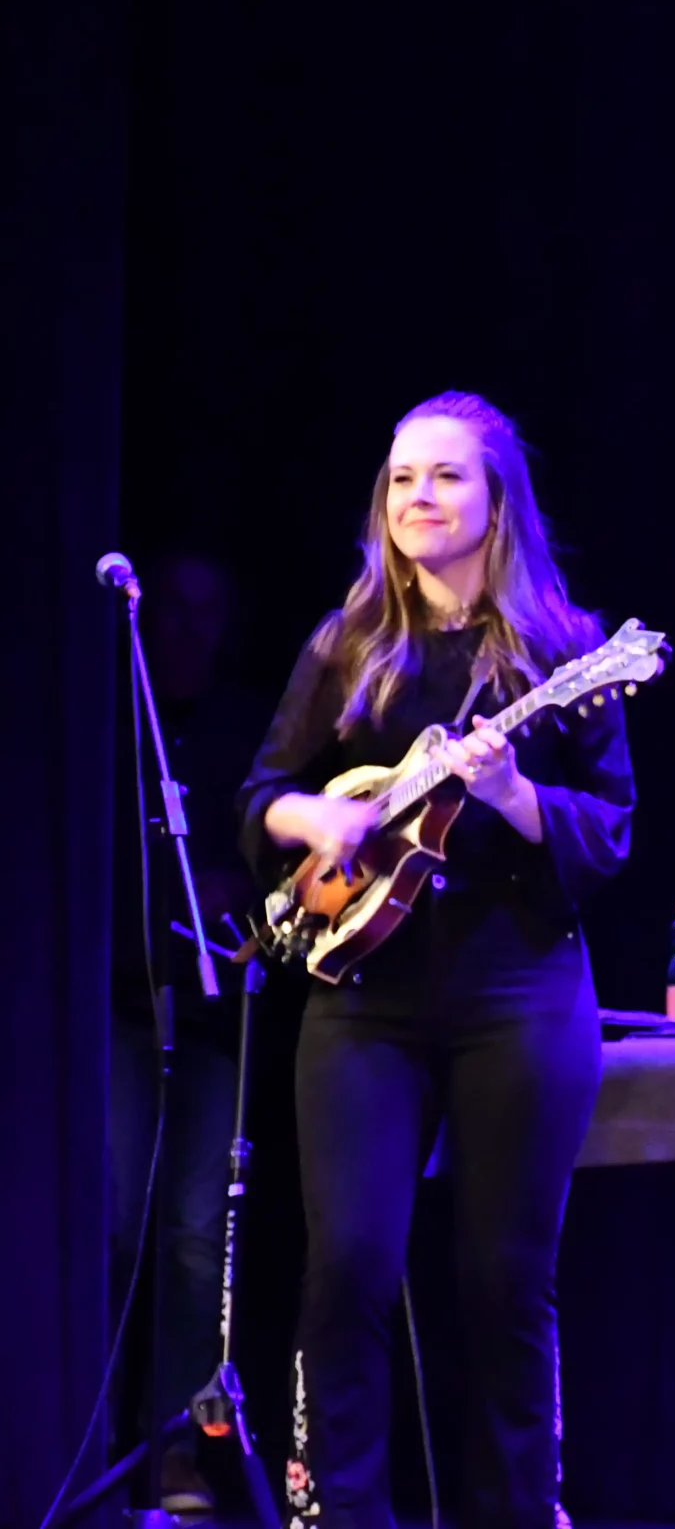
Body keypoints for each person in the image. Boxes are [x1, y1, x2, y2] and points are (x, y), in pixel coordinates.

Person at [238, 392, 633, 1529]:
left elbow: (611, 830)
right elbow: (262, 793)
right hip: (363, 994)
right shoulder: (347, 643)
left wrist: (517, 801)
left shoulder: (569, 651)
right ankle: (338, 1513)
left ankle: (515, 1511)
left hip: (519, 990)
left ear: (497, 502)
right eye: (403, 478)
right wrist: (311, 820)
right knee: (350, 1266)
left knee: (506, 1282)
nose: (418, 497)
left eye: (446, 477)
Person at [107, 552, 272, 1514]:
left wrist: (233, 891)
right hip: (117, 1009)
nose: (188, 632)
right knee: (117, 1225)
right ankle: (86, 1433)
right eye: (175, 611)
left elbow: (266, 856)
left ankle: (171, 1448)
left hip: (206, 1021)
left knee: (193, 1239)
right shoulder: (113, 717)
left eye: (209, 614)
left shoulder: (239, 725)